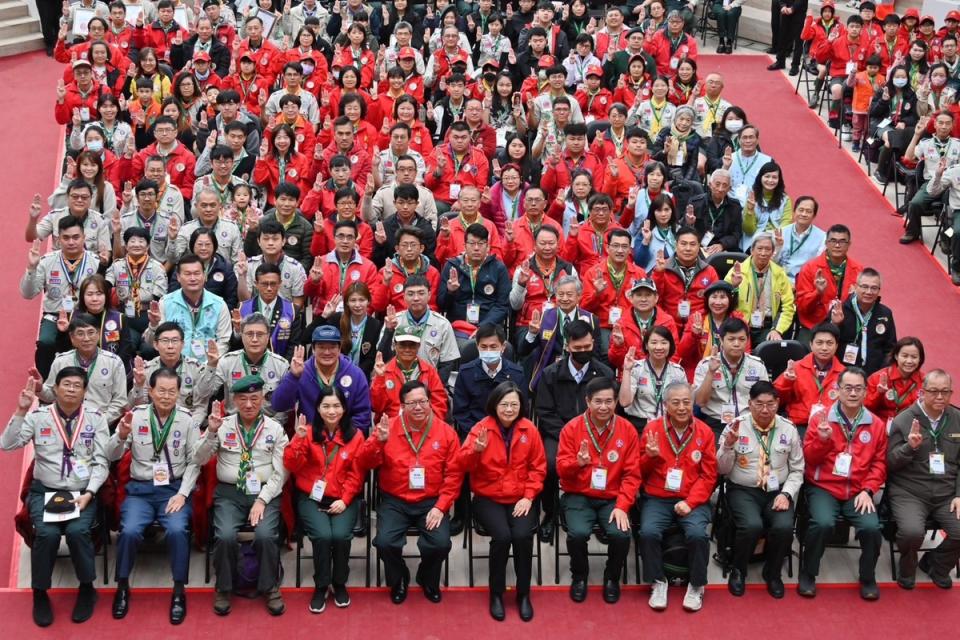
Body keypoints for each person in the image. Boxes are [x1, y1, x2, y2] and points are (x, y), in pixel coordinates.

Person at [2, 368, 109, 627]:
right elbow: (7, 444)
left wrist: (89, 493)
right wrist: (20, 410)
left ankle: (87, 588)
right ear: (56, 389)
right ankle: (40, 592)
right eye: (66, 384)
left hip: (82, 491)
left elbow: (101, 463)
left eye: (77, 385)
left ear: (85, 391)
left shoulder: (95, 418)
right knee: (47, 534)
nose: (72, 389)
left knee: (77, 532)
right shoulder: (39, 417)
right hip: (46, 491)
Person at [108, 368, 200, 624]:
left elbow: (194, 463)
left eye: (172, 391)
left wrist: (183, 494)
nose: (166, 396)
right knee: (129, 531)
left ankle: (179, 590)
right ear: (150, 391)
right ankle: (123, 586)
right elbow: (112, 455)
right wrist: (121, 435)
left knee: (177, 530)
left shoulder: (187, 420)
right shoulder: (135, 417)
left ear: (179, 393)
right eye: (161, 390)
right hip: (140, 491)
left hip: (173, 490)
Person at [357, 381, 463, 604]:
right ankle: (399, 578)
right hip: (395, 500)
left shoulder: (446, 433)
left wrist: (441, 506)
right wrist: (378, 441)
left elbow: (454, 475)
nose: (418, 407)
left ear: (430, 402)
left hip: (431, 501)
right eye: (412, 403)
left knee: (441, 543)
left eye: (423, 401)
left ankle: (427, 577)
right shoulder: (388, 427)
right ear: (402, 405)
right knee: (385, 542)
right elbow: (365, 463)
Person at [194, 377, 289, 615]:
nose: (248, 404)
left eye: (254, 399)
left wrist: (262, 499)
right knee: (225, 536)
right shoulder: (222, 425)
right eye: (243, 399)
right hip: (230, 493)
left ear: (261, 399)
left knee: (266, 535)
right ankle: (224, 587)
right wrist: (211, 433)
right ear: (234, 400)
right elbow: (199, 459)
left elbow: (281, 473)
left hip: (265, 492)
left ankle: (270, 587)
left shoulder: (274, 429)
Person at [457, 382, 545, 621]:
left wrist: (528, 497)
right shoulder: (480, 428)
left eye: (514, 404)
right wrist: (475, 450)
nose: (508, 409)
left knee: (522, 537)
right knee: (503, 537)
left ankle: (523, 594)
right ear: (494, 405)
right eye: (504, 404)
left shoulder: (530, 429)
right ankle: (496, 593)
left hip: (520, 498)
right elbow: (461, 465)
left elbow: (538, 469)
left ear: (521, 406)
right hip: (488, 497)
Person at [799, 367, 887, 600]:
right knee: (823, 523)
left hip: (858, 490)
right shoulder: (820, 418)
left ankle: (867, 576)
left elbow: (879, 464)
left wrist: (869, 490)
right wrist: (822, 440)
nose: (853, 393)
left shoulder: (876, 424)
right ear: (836, 391)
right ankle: (809, 573)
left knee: (871, 528)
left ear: (866, 392)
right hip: (824, 487)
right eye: (847, 388)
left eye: (859, 388)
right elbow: (809, 458)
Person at [557, 377, 640, 604]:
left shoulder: (627, 430)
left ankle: (611, 577)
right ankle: (580, 576)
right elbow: (561, 471)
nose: (603, 407)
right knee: (577, 534)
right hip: (578, 494)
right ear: (587, 401)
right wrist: (578, 463)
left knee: (621, 535)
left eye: (609, 402)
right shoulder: (572, 429)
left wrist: (623, 506)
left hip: (612, 497)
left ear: (616, 403)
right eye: (598, 401)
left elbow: (632, 475)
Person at [717, 382, 803, 598]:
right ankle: (738, 570)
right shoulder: (735, 427)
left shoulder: (788, 428)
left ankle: (773, 573)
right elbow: (721, 469)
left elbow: (797, 469)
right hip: (743, 490)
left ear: (777, 403)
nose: (765, 410)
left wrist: (786, 494)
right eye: (759, 404)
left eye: (770, 404)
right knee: (751, 525)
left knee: (784, 527)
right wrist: (727, 446)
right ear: (750, 404)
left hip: (777, 491)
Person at [638, 381, 718, 612]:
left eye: (686, 402)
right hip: (657, 497)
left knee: (696, 535)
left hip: (692, 497)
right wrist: (650, 457)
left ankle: (696, 585)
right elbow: (639, 473)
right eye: (676, 402)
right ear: (666, 405)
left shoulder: (704, 432)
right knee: (649, 532)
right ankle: (658, 581)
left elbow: (708, 476)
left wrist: (690, 502)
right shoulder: (653, 429)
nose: (682, 407)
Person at [283, 388, 365, 613]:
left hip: (342, 497)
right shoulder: (306, 432)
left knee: (339, 536)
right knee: (321, 536)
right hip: (311, 497)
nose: (331, 411)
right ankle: (321, 585)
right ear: (318, 409)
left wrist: (346, 499)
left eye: (336, 406)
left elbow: (357, 474)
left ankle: (338, 582)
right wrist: (298, 440)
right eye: (326, 406)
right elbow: (291, 465)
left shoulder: (356, 436)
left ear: (345, 409)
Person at [534, 320, 614, 543]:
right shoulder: (550, 374)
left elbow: (609, 409)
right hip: (560, 434)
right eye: (577, 348)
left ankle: (600, 513)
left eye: (587, 347)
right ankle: (550, 513)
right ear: (567, 346)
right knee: (549, 466)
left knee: (610, 461)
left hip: (598, 434)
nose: (583, 352)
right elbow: (545, 412)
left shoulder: (604, 373)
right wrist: (571, 437)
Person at [887, 369, 960, 589]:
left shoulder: (957, 418)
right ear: (922, 392)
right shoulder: (904, 420)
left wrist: (959, 494)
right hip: (909, 492)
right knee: (911, 532)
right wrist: (909, 448)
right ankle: (907, 568)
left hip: (946, 493)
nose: (940, 397)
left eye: (945, 392)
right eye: (934, 391)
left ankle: (936, 565)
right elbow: (890, 462)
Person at [21, 216, 101, 376]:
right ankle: (43, 386)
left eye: (76, 237)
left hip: (85, 315)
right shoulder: (46, 261)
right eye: (66, 238)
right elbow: (28, 294)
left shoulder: (96, 262)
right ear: (58, 239)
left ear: (84, 237)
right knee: (45, 343)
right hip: (54, 315)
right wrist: (31, 268)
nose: (71, 242)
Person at [272, 325, 372, 431]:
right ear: (313, 349)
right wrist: (293, 377)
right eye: (321, 347)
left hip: (346, 440)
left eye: (332, 347)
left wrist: (342, 438)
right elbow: (278, 405)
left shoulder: (355, 374)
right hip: (311, 440)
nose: (327, 352)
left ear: (339, 349)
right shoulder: (302, 371)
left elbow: (363, 416)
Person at [196, 312, 291, 423]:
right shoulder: (227, 361)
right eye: (249, 334)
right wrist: (211, 366)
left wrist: (271, 428)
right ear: (241, 335)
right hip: (232, 425)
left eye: (260, 334)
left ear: (268, 336)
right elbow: (203, 394)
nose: (254, 339)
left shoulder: (281, 365)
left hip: (269, 426)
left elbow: (286, 405)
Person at [39, 313, 128, 425]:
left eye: (91, 333)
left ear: (98, 334)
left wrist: (100, 422)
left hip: (100, 424)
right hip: (65, 424)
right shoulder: (61, 361)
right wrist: (39, 388)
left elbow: (120, 401)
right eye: (80, 334)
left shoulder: (114, 362)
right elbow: (51, 394)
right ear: (72, 338)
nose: (86, 339)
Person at [144, 254, 232, 365]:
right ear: (178, 277)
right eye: (187, 274)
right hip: (174, 367)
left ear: (204, 276)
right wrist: (153, 324)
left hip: (209, 367)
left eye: (197, 273)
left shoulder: (219, 304)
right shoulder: (166, 303)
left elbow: (224, 341)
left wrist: (209, 363)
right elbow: (151, 342)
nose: (193, 278)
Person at [519, 275, 599, 392]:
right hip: (550, 372)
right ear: (555, 296)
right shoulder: (545, 317)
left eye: (569, 294)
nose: (564, 298)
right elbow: (523, 351)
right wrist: (532, 333)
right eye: (560, 294)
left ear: (579, 296)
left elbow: (596, 353)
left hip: (581, 373)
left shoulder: (590, 319)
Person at [693, 317, 769, 438]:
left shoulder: (757, 365)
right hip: (715, 425)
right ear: (721, 340)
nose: (737, 344)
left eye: (741, 339)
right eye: (731, 339)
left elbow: (765, 399)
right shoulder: (705, 365)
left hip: (748, 423)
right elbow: (700, 402)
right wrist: (711, 373)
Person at [378, 276, 461, 382]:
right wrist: (389, 331)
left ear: (429, 295)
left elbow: (447, 363)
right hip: (397, 383)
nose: (416, 298)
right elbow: (383, 357)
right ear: (403, 297)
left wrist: (433, 389)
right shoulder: (393, 321)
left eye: (421, 293)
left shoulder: (442, 324)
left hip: (430, 384)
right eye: (411, 294)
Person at [579, 227, 644, 357]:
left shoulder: (639, 273)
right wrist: (596, 294)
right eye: (616, 246)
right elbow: (583, 308)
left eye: (624, 246)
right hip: (603, 326)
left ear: (629, 250)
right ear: (607, 248)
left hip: (629, 326)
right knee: (604, 351)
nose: (620, 250)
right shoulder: (593, 273)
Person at [452, 324, 524, 437]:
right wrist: (477, 433)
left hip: (508, 434)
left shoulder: (517, 374)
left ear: (503, 347)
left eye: (493, 346)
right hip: (475, 433)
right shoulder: (466, 373)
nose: (488, 351)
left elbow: (522, 411)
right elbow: (461, 412)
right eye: (484, 347)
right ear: (477, 346)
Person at [795, 224, 864, 342]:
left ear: (849, 245)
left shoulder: (858, 270)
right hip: (814, 327)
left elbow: (865, 304)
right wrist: (817, 293)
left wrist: (855, 298)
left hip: (845, 326)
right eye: (833, 241)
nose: (837, 245)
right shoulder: (809, 268)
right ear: (826, 243)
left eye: (842, 242)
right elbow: (802, 307)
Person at [128, 322, 207, 422]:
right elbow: (136, 408)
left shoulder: (195, 368)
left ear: (182, 344)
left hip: (187, 425)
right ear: (156, 345)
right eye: (165, 341)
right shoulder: (146, 370)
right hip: (153, 425)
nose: (170, 346)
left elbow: (200, 407)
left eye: (175, 341)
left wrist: (190, 427)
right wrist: (138, 385)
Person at [726, 233, 796, 345]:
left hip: (768, 327)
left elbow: (788, 306)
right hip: (740, 326)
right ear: (752, 250)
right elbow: (723, 302)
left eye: (767, 249)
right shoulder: (738, 271)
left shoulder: (779, 274)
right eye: (759, 248)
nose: (763, 253)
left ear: (773, 252)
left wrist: (777, 330)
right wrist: (734, 287)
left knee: (772, 348)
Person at [774, 323, 845, 433]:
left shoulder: (844, 374)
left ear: (836, 346)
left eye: (829, 343)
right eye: (819, 343)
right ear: (811, 345)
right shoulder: (796, 368)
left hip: (832, 427)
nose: (824, 348)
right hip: (799, 426)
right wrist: (787, 382)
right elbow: (775, 399)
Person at [438, 223, 511, 329]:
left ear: (488, 246)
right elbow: (442, 305)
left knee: (497, 345)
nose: (476, 248)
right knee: (464, 344)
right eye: (472, 243)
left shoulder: (498, 268)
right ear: (465, 245)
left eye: (481, 243)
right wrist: (450, 292)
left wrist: (483, 327)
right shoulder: (452, 266)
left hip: (490, 326)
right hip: (459, 326)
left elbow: (502, 305)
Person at [371, 326, 449, 421]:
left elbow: (439, 405)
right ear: (395, 345)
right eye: (402, 345)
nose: (407, 349)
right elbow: (377, 407)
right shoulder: (383, 371)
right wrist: (380, 378)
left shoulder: (429, 371)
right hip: (391, 427)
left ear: (418, 346)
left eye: (412, 345)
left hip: (423, 425)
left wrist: (429, 425)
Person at [619, 327, 689, 431]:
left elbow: (683, 405)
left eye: (664, 343)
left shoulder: (678, 371)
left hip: (669, 426)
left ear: (670, 345)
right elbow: (624, 402)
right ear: (646, 345)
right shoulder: (636, 368)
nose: (659, 347)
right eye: (654, 342)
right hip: (640, 426)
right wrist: (627, 370)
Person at [832, 268, 897, 375]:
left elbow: (890, 349)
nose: (869, 292)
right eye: (864, 287)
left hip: (873, 376)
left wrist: (881, 373)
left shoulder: (885, 314)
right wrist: (835, 324)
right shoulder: (840, 309)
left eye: (874, 288)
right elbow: (826, 340)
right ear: (856, 287)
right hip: (842, 373)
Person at [651, 226, 718, 328]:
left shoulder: (709, 271)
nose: (688, 248)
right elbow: (654, 298)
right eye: (683, 244)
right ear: (675, 244)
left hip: (699, 326)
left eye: (692, 244)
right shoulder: (663, 268)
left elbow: (715, 302)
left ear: (699, 246)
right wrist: (658, 274)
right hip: (668, 326)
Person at [607, 277, 680, 370]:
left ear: (656, 298)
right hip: (631, 375)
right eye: (639, 295)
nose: (643, 299)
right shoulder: (621, 324)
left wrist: (662, 373)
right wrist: (618, 346)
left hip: (661, 374)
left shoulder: (667, 321)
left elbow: (674, 353)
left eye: (648, 295)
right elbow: (616, 362)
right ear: (631, 298)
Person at [237, 263, 305, 359]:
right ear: (256, 284)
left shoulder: (292, 310)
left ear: (280, 283)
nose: (269, 288)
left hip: (282, 367)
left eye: (273, 284)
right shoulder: (243, 308)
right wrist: (236, 331)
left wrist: (284, 368)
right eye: (264, 284)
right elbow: (236, 344)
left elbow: (294, 345)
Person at [237, 221, 307, 307]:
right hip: (254, 317)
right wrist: (242, 276)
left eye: (275, 239)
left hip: (285, 317)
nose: (270, 243)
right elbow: (245, 302)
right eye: (266, 239)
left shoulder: (295, 268)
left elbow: (297, 304)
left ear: (283, 241)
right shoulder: (250, 265)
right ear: (259, 241)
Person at [866, 337, 925, 426]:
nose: (909, 361)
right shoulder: (877, 377)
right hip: (879, 428)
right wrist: (879, 393)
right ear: (896, 356)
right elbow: (864, 408)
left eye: (914, 357)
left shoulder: (925, 381)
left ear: (920, 359)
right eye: (904, 356)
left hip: (910, 430)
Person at [688, 169, 744, 255]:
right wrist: (689, 224)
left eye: (724, 185)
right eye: (717, 184)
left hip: (724, 250)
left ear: (729, 188)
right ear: (710, 185)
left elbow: (736, 234)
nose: (720, 189)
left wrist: (722, 245)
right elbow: (685, 231)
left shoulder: (735, 207)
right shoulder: (696, 203)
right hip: (699, 248)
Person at [773, 195, 826, 283]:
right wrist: (778, 247)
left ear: (814, 215)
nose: (804, 214)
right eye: (801, 210)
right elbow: (772, 262)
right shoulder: (780, 233)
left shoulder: (823, 237)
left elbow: (818, 266)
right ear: (794, 211)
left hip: (805, 282)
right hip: (778, 279)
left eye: (808, 211)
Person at [768, 0, 807, 74]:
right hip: (785, 11)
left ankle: (795, 65)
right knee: (782, 37)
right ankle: (780, 61)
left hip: (799, 12)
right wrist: (783, 6)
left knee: (798, 41)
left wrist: (793, 8)